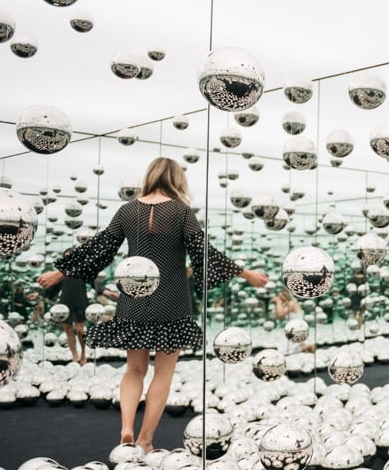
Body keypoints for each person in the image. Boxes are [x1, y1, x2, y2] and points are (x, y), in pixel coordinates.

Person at [37, 158, 268, 452]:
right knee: (163, 372)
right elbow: (204, 253)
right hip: (171, 299)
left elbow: (99, 247)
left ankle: (126, 428)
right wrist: (246, 273)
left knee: (134, 370)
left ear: (150, 176)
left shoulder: (127, 210)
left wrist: (61, 271)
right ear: (176, 179)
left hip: (133, 298)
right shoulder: (182, 212)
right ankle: (146, 439)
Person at [43, 251, 91, 364]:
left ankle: (83, 353)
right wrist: (40, 295)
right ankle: (75, 355)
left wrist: (105, 291)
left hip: (80, 302)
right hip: (65, 303)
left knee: (80, 331)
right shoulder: (61, 274)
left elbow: (94, 283)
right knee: (68, 330)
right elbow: (53, 288)